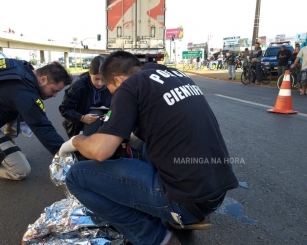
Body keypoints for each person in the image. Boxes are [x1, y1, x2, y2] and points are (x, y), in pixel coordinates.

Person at [60, 51, 238, 245]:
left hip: (187, 201)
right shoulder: (174, 75)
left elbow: (101, 151)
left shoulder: (128, 86)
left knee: (76, 177)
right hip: (216, 192)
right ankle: (183, 217)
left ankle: (157, 238)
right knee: (142, 145)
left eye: (112, 92)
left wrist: (77, 140)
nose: (114, 98)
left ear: (118, 81)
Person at [0, 59, 72, 179]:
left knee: (24, 111)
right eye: (54, 90)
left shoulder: (21, 68)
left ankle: (6, 145)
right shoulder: (22, 91)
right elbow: (42, 126)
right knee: (20, 170)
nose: (54, 96)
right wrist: (66, 155)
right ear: (43, 79)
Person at [59, 55, 112, 138]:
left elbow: (113, 107)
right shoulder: (78, 86)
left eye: (103, 79)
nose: (100, 83)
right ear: (90, 73)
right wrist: (82, 117)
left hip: (102, 122)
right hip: (78, 124)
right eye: (96, 79)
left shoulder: (110, 85)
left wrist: (108, 115)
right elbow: (64, 109)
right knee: (95, 114)